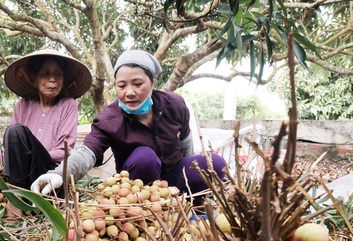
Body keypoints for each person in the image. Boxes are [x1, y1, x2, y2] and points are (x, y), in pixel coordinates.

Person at [30, 49, 227, 203]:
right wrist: (58, 175)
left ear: (153, 83)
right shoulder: (109, 119)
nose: (129, 92)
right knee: (145, 157)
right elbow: (86, 152)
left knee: (215, 163)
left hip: (173, 176)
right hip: (136, 186)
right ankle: (146, 210)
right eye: (122, 86)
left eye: (137, 84)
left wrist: (187, 178)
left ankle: (184, 203)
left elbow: (185, 144)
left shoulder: (174, 105)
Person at [0, 48, 92, 215]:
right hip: (16, 171)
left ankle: (14, 209)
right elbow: (11, 144)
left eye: (57, 74)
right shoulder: (23, 105)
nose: (52, 79)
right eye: (45, 73)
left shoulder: (68, 105)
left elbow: (63, 152)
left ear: (63, 79)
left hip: (47, 173)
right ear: (34, 80)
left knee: (16, 132)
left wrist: (24, 157)